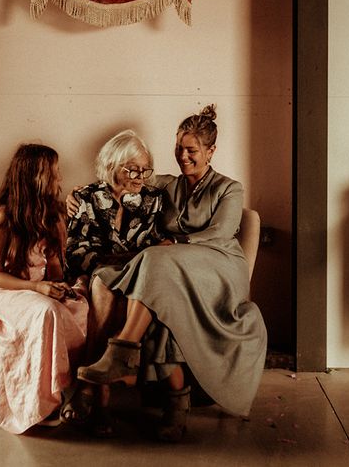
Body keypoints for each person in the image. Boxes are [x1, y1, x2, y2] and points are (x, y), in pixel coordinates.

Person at [72, 105, 267, 442]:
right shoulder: (167, 185)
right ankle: (177, 406)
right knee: (150, 288)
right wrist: (72, 197)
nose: (183, 155)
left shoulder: (229, 188)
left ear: (211, 152)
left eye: (191, 150)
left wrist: (173, 242)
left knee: (156, 259)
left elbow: (221, 232)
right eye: (179, 147)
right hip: (172, 269)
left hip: (219, 266)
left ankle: (122, 350)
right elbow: (122, 176)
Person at [61, 129, 168, 436]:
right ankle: (102, 402)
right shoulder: (85, 198)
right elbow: (77, 253)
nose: (140, 175)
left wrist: (133, 258)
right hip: (103, 275)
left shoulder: (154, 199)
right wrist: (128, 259)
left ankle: (86, 389)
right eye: (132, 168)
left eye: (144, 169)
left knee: (114, 286)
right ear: (112, 165)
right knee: (103, 284)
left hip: (136, 277)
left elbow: (158, 245)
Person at [0, 143, 88, 434]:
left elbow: (53, 267)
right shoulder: (4, 215)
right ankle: (40, 404)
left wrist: (62, 286)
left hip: (38, 288)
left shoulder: (51, 214)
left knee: (79, 305)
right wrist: (37, 288)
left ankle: (72, 390)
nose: (59, 178)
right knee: (46, 312)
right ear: (32, 176)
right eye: (52, 173)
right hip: (9, 291)